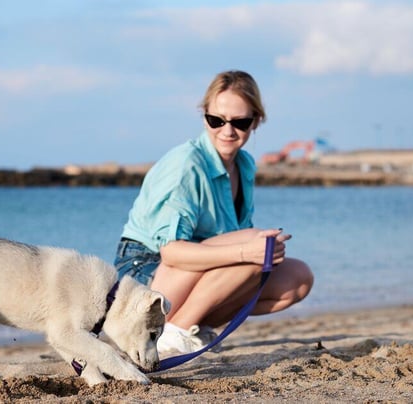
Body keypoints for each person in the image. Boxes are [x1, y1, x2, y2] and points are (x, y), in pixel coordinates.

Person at [113, 70, 314, 355]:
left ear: (256, 120)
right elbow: (171, 253)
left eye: (240, 122)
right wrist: (246, 252)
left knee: (298, 278)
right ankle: (176, 330)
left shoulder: (244, 164)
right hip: (143, 274)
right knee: (255, 246)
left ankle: (193, 325)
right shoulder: (187, 164)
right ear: (204, 116)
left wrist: (253, 252)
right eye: (216, 120)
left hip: (191, 275)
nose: (227, 131)